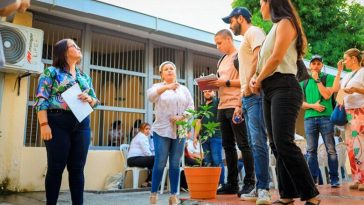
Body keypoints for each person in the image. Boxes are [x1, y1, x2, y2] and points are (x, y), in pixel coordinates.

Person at [250, 0, 320, 204]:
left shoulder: (286, 22)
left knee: (284, 142)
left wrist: (258, 78)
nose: (260, 7)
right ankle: (287, 195)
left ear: (271, 2)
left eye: (261, 3)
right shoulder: (273, 28)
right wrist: (256, 79)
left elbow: (276, 57)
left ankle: (311, 195)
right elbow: (265, 61)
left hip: (285, 86)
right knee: (275, 144)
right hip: (269, 88)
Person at [34, 38, 98, 205]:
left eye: (78, 45)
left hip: (82, 123)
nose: (78, 48)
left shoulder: (84, 76)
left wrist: (89, 98)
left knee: (77, 169)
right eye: (73, 46)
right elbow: (41, 99)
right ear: (64, 51)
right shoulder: (52, 72)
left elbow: (95, 101)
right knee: (56, 168)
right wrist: (44, 124)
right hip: (57, 122)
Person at [223, 7, 270, 203]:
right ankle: (259, 187)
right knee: (253, 143)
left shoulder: (254, 32)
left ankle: (263, 189)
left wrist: (253, 81)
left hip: (256, 95)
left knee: (258, 142)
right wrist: (241, 102)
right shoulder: (245, 40)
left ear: (240, 18)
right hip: (248, 98)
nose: (230, 25)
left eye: (231, 21)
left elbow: (261, 56)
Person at [211, 29, 255, 195]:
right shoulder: (221, 60)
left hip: (236, 105)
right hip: (222, 106)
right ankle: (232, 184)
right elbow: (222, 82)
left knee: (243, 144)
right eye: (216, 43)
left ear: (229, 39)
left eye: (220, 42)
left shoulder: (239, 56)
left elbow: (245, 80)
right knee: (227, 146)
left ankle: (250, 182)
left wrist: (227, 83)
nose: (218, 46)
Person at [147, 61, 194, 205]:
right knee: (160, 162)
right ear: (161, 74)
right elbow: (150, 97)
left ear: (175, 72)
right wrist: (167, 87)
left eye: (171, 69)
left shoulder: (184, 89)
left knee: (175, 163)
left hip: (180, 130)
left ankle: (174, 195)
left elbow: (191, 106)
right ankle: (154, 195)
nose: (169, 71)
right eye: (166, 69)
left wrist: (182, 117)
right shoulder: (157, 87)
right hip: (161, 130)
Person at [300, 55, 340, 187]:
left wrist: (317, 80)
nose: (316, 66)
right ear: (310, 66)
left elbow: (327, 95)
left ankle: (334, 179)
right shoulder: (304, 82)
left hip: (326, 118)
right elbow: (299, 103)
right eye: (313, 63)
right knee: (311, 150)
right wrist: (313, 106)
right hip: (309, 119)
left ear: (322, 65)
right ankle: (313, 180)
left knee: (331, 149)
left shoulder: (328, 78)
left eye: (318, 63)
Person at [335, 48, 364, 191]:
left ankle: (363, 178)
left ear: (354, 59)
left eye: (345, 59)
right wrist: (339, 71)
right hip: (347, 113)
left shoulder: (363, 72)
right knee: (351, 145)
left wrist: (356, 90)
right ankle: (356, 178)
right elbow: (336, 89)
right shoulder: (346, 75)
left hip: (360, 111)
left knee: (361, 144)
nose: (344, 61)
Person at [193, 90, 225, 186]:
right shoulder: (201, 107)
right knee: (207, 161)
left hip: (216, 135)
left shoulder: (218, 102)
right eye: (205, 91)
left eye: (209, 91)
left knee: (217, 160)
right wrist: (195, 137)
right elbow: (198, 122)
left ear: (214, 93)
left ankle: (221, 184)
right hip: (204, 137)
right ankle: (211, 184)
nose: (207, 93)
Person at [127, 122, 154, 188]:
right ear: (142, 129)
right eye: (146, 129)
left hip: (132, 160)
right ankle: (150, 181)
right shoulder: (142, 137)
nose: (148, 131)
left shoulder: (139, 136)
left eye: (149, 129)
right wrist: (153, 157)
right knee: (156, 159)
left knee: (153, 162)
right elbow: (147, 152)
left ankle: (147, 182)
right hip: (134, 159)